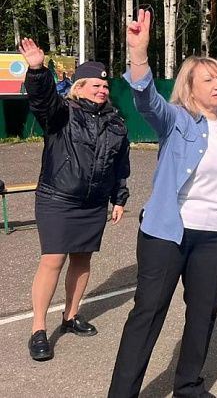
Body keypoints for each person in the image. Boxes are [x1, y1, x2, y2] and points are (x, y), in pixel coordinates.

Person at [109, 9, 217, 397]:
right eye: (208, 78)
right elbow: (146, 100)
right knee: (148, 314)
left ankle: (189, 386)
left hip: (213, 237)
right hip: (167, 234)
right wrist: (139, 53)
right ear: (190, 87)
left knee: (203, 314)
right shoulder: (176, 120)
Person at [18, 39, 130, 362]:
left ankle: (70, 316)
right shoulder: (61, 114)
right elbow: (42, 101)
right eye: (96, 85)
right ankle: (38, 329)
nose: (103, 90)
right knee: (53, 260)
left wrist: (119, 198)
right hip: (57, 198)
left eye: (106, 86)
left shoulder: (116, 124)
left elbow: (119, 164)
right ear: (79, 87)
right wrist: (38, 70)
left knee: (82, 261)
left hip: (93, 204)